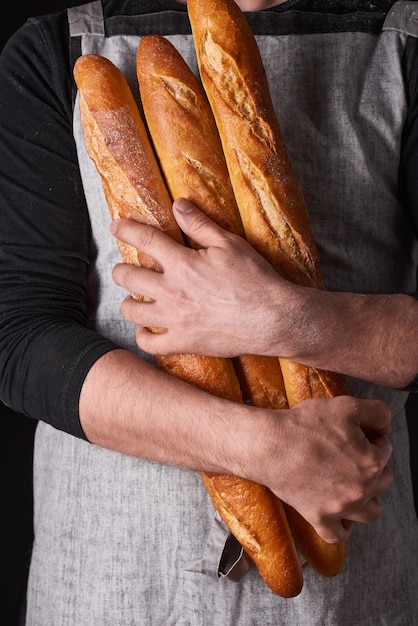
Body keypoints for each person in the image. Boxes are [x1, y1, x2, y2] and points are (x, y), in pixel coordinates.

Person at [0, 0, 416, 623]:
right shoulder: (62, 48)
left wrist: (280, 317)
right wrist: (260, 448)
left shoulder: (403, 43)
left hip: (347, 597)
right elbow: (21, 339)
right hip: (112, 587)